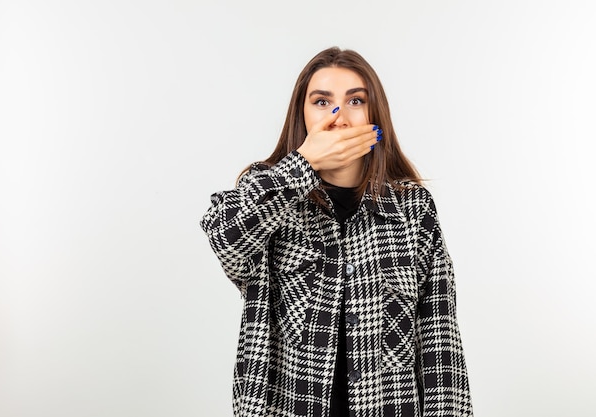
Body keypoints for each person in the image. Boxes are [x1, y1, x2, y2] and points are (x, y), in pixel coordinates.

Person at [200, 46, 473, 417]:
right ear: (303, 115)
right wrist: (304, 164)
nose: (338, 116)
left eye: (355, 100)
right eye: (321, 101)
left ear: (375, 115)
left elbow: (440, 343)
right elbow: (224, 238)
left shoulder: (412, 209)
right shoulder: (267, 194)